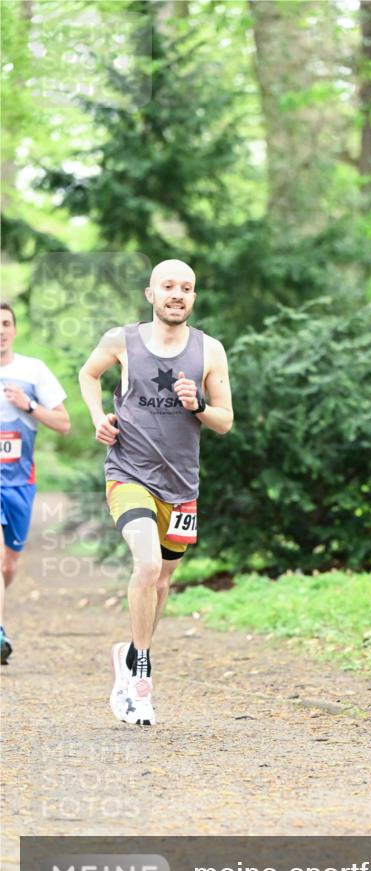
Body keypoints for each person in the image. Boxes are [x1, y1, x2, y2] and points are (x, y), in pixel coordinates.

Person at [79, 259, 233, 726]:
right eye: (168, 286)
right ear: (151, 294)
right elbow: (89, 375)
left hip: (182, 487)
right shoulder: (120, 340)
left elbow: (225, 421)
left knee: (162, 581)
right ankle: (141, 673)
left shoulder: (210, 350)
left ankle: (129, 654)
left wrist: (198, 405)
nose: (177, 294)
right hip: (129, 474)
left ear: (193, 298)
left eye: (186, 288)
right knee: (146, 565)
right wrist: (97, 418)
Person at [1, 302, 71, 664]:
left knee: (8, 563)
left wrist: (27, 405)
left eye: (5, 323)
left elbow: (63, 423)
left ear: (14, 329)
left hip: (19, 482)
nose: (0, 330)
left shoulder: (33, 371)